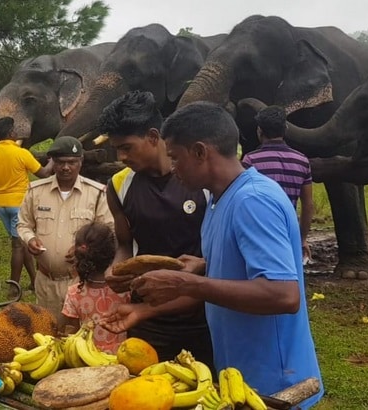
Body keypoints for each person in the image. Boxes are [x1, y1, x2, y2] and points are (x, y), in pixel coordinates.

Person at [128, 101, 323, 408]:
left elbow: (284, 294)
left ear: (200, 152)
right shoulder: (219, 199)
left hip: (275, 383)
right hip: (241, 375)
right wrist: (205, 266)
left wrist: (186, 284)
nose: (173, 168)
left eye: (175, 158)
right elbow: (247, 265)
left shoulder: (253, 201)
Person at [96, 91, 213, 367]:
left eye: (127, 147)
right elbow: (125, 244)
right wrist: (116, 268)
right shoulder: (118, 185)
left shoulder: (200, 181)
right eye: (117, 149)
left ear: (152, 136)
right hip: (144, 316)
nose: (121, 156)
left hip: (201, 315)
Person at [17, 136, 113, 320]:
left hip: (82, 281)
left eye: (72, 162)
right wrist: (30, 239)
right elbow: (23, 224)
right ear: (52, 162)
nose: (66, 167)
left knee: (81, 332)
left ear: (81, 162)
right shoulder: (35, 191)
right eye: (60, 162)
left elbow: (108, 232)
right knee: (48, 331)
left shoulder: (96, 193)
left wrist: (85, 249)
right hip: (46, 282)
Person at [0, 117, 53, 296]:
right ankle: (13, 288)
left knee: (21, 241)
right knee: (18, 246)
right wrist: (53, 160)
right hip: (19, 204)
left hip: (1, 205)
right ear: (11, 132)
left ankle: (34, 281)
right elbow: (44, 173)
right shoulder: (21, 153)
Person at [242, 105, 315, 264]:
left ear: (259, 131)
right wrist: (301, 239)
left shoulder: (250, 161)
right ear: (285, 129)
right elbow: (308, 205)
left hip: (259, 234)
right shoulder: (302, 160)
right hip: (289, 232)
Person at [61, 222, 129, 354]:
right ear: (113, 253)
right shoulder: (125, 288)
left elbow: (74, 333)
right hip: (125, 354)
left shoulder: (74, 293)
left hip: (88, 357)